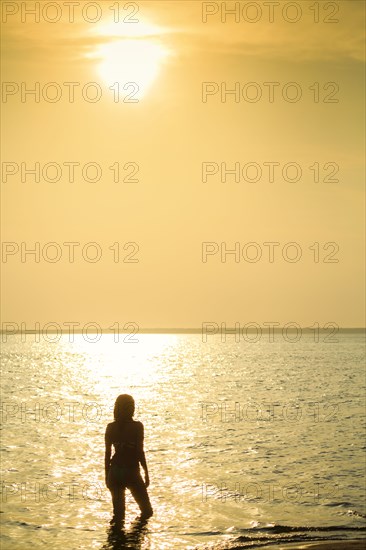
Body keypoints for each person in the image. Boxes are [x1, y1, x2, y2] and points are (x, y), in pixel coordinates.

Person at [105, 394, 153, 524]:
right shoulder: (137, 426)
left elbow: (107, 454)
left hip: (114, 472)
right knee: (147, 511)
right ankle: (135, 539)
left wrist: (107, 475)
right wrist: (146, 473)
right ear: (131, 408)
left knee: (118, 515)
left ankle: (117, 542)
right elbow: (139, 451)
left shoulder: (110, 427)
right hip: (131, 471)